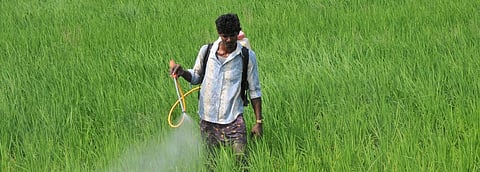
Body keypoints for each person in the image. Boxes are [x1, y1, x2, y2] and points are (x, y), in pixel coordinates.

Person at [169, 13, 263, 171]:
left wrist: (259, 122)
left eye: (232, 35)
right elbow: (196, 77)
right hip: (208, 120)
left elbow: (254, 91)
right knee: (210, 164)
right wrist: (182, 72)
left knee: (242, 163)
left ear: (238, 33)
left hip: (234, 119)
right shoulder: (206, 51)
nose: (229, 40)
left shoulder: (247, 57)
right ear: (219, 34)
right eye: (225, 36)